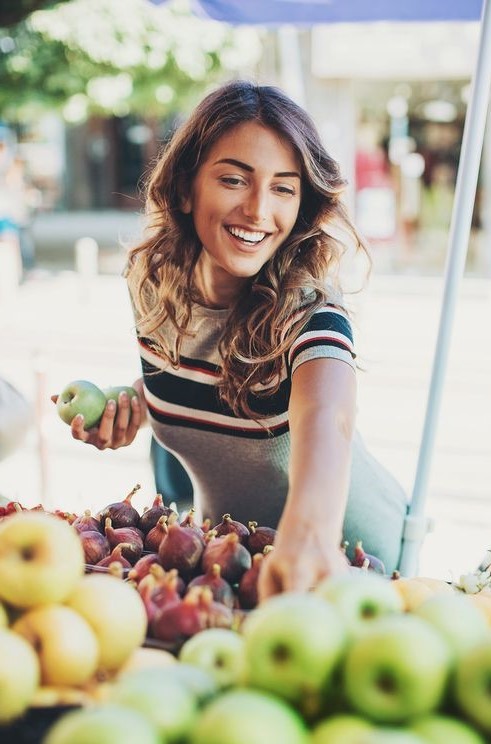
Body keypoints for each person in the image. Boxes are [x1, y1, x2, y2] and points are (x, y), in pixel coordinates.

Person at [59, 80, 408, 598]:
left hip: (342, 559)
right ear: (184, 187)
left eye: (284, 188)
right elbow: (202, 378)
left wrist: (310, 535)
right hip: (231, 560)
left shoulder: (311, 314)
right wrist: (138, 402)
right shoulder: (155, 291)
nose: (258, 210)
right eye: (234, 180)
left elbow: (328, 415)